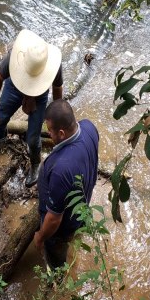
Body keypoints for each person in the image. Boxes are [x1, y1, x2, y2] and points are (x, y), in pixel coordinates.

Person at [0, 29, 63, 187]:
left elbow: (57, 89)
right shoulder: (14, 56)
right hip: (13, 87)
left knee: (33, 138)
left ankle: (35, 164)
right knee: (0, 119)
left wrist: (55, 117)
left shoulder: (54, 66)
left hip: (40, 94)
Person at [33, 100, 99, 269]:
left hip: (61, 228)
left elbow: (54, 219)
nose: (48, 134)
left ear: (61, 133)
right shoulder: (89, 127)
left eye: (50, 130)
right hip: (82, 202)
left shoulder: (62, 169)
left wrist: (40, 237)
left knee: (56, 256)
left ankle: (58, 277)